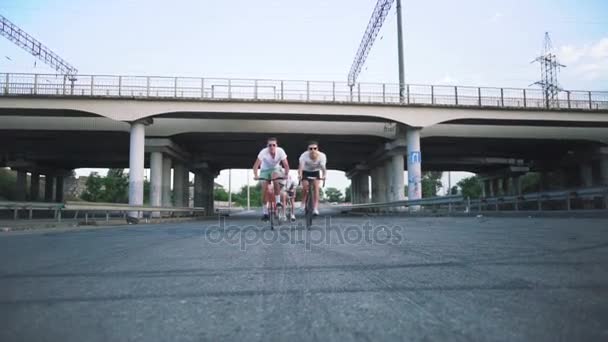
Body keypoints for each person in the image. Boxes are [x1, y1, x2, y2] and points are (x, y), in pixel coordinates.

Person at [252, 137, 290, 221]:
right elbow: (255, 166)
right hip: (264, 170)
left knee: (275, 177)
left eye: (274, 145)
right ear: (267, 146)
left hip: (275, 169)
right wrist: (256, 175)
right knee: (264, 190)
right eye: (270, 145)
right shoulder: (263, 152)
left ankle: (277, 202)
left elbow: (286, 165)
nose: (272, 147)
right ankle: (265, 212)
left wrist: (286, 174)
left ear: (276, 146)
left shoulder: (280, 151)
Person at [298, 141, 327, 216]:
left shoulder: (322, 156)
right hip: (305, 171)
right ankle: (303, 202)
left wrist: (324, 176)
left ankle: (315, 208)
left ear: (317, 149)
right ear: (308, 149)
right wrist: (300, 175)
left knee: (316, 188)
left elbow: (323, 168)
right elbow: (301, 167)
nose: (313, 150)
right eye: (311, 148)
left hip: (315, 171)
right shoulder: (304, 156)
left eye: (315, 148)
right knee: (305, 186)